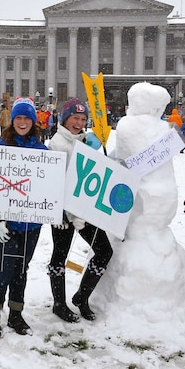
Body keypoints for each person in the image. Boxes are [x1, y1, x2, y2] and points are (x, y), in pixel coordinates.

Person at [45, 98, 114, 322]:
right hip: (63, 214)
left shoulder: (83, 140)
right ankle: (58, 304)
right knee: (60, 256)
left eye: (83, 119)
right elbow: (58, 183)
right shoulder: (56, 144)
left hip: (85, 211)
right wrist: (67, 214)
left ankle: (82, 298)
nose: (79, 122)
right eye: (75, 118)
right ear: (65, 118)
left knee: (104, 251)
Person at [0, 97, 48, 338]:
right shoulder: (0, 148)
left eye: (27, 118)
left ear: (33, 121)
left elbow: (48, 188)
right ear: (12, 121)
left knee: (21, 269)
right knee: (3, 269)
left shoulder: (43, 152)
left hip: (31, 224)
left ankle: (15, 313)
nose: (22, 122)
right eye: (18, 118)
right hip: (4, 223)